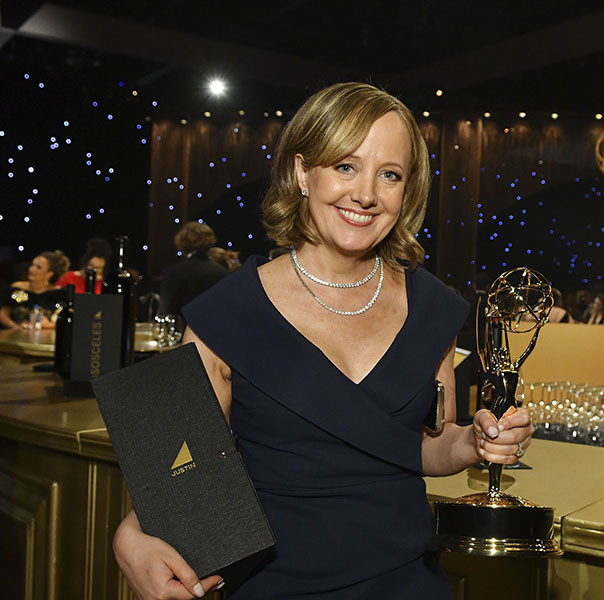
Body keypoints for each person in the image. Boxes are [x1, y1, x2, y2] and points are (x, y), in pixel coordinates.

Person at [112, 82, 534, 600]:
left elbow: (423, 448)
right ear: (301, 172)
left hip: (407, 582)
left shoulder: (434, 310)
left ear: (407, 192)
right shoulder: (226, 315)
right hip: (275, 585)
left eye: (390, 175)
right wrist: (130, 533)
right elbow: (182, 465)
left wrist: (472, 442)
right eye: (345, 166)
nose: (366, 194)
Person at [158, 222, 230, 328]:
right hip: (211, 336)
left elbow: (166, 311)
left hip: (179, 337)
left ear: (182, 243)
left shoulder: (173, 272)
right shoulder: (222, 272)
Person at [0, 250, 69, 329]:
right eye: (32, 265)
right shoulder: (15, 288)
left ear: (50, 273)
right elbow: (3, 315)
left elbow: (66, 320)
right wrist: (16, 327)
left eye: (38, 267)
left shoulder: (59, 294)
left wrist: (49, 325)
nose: (31, 269)